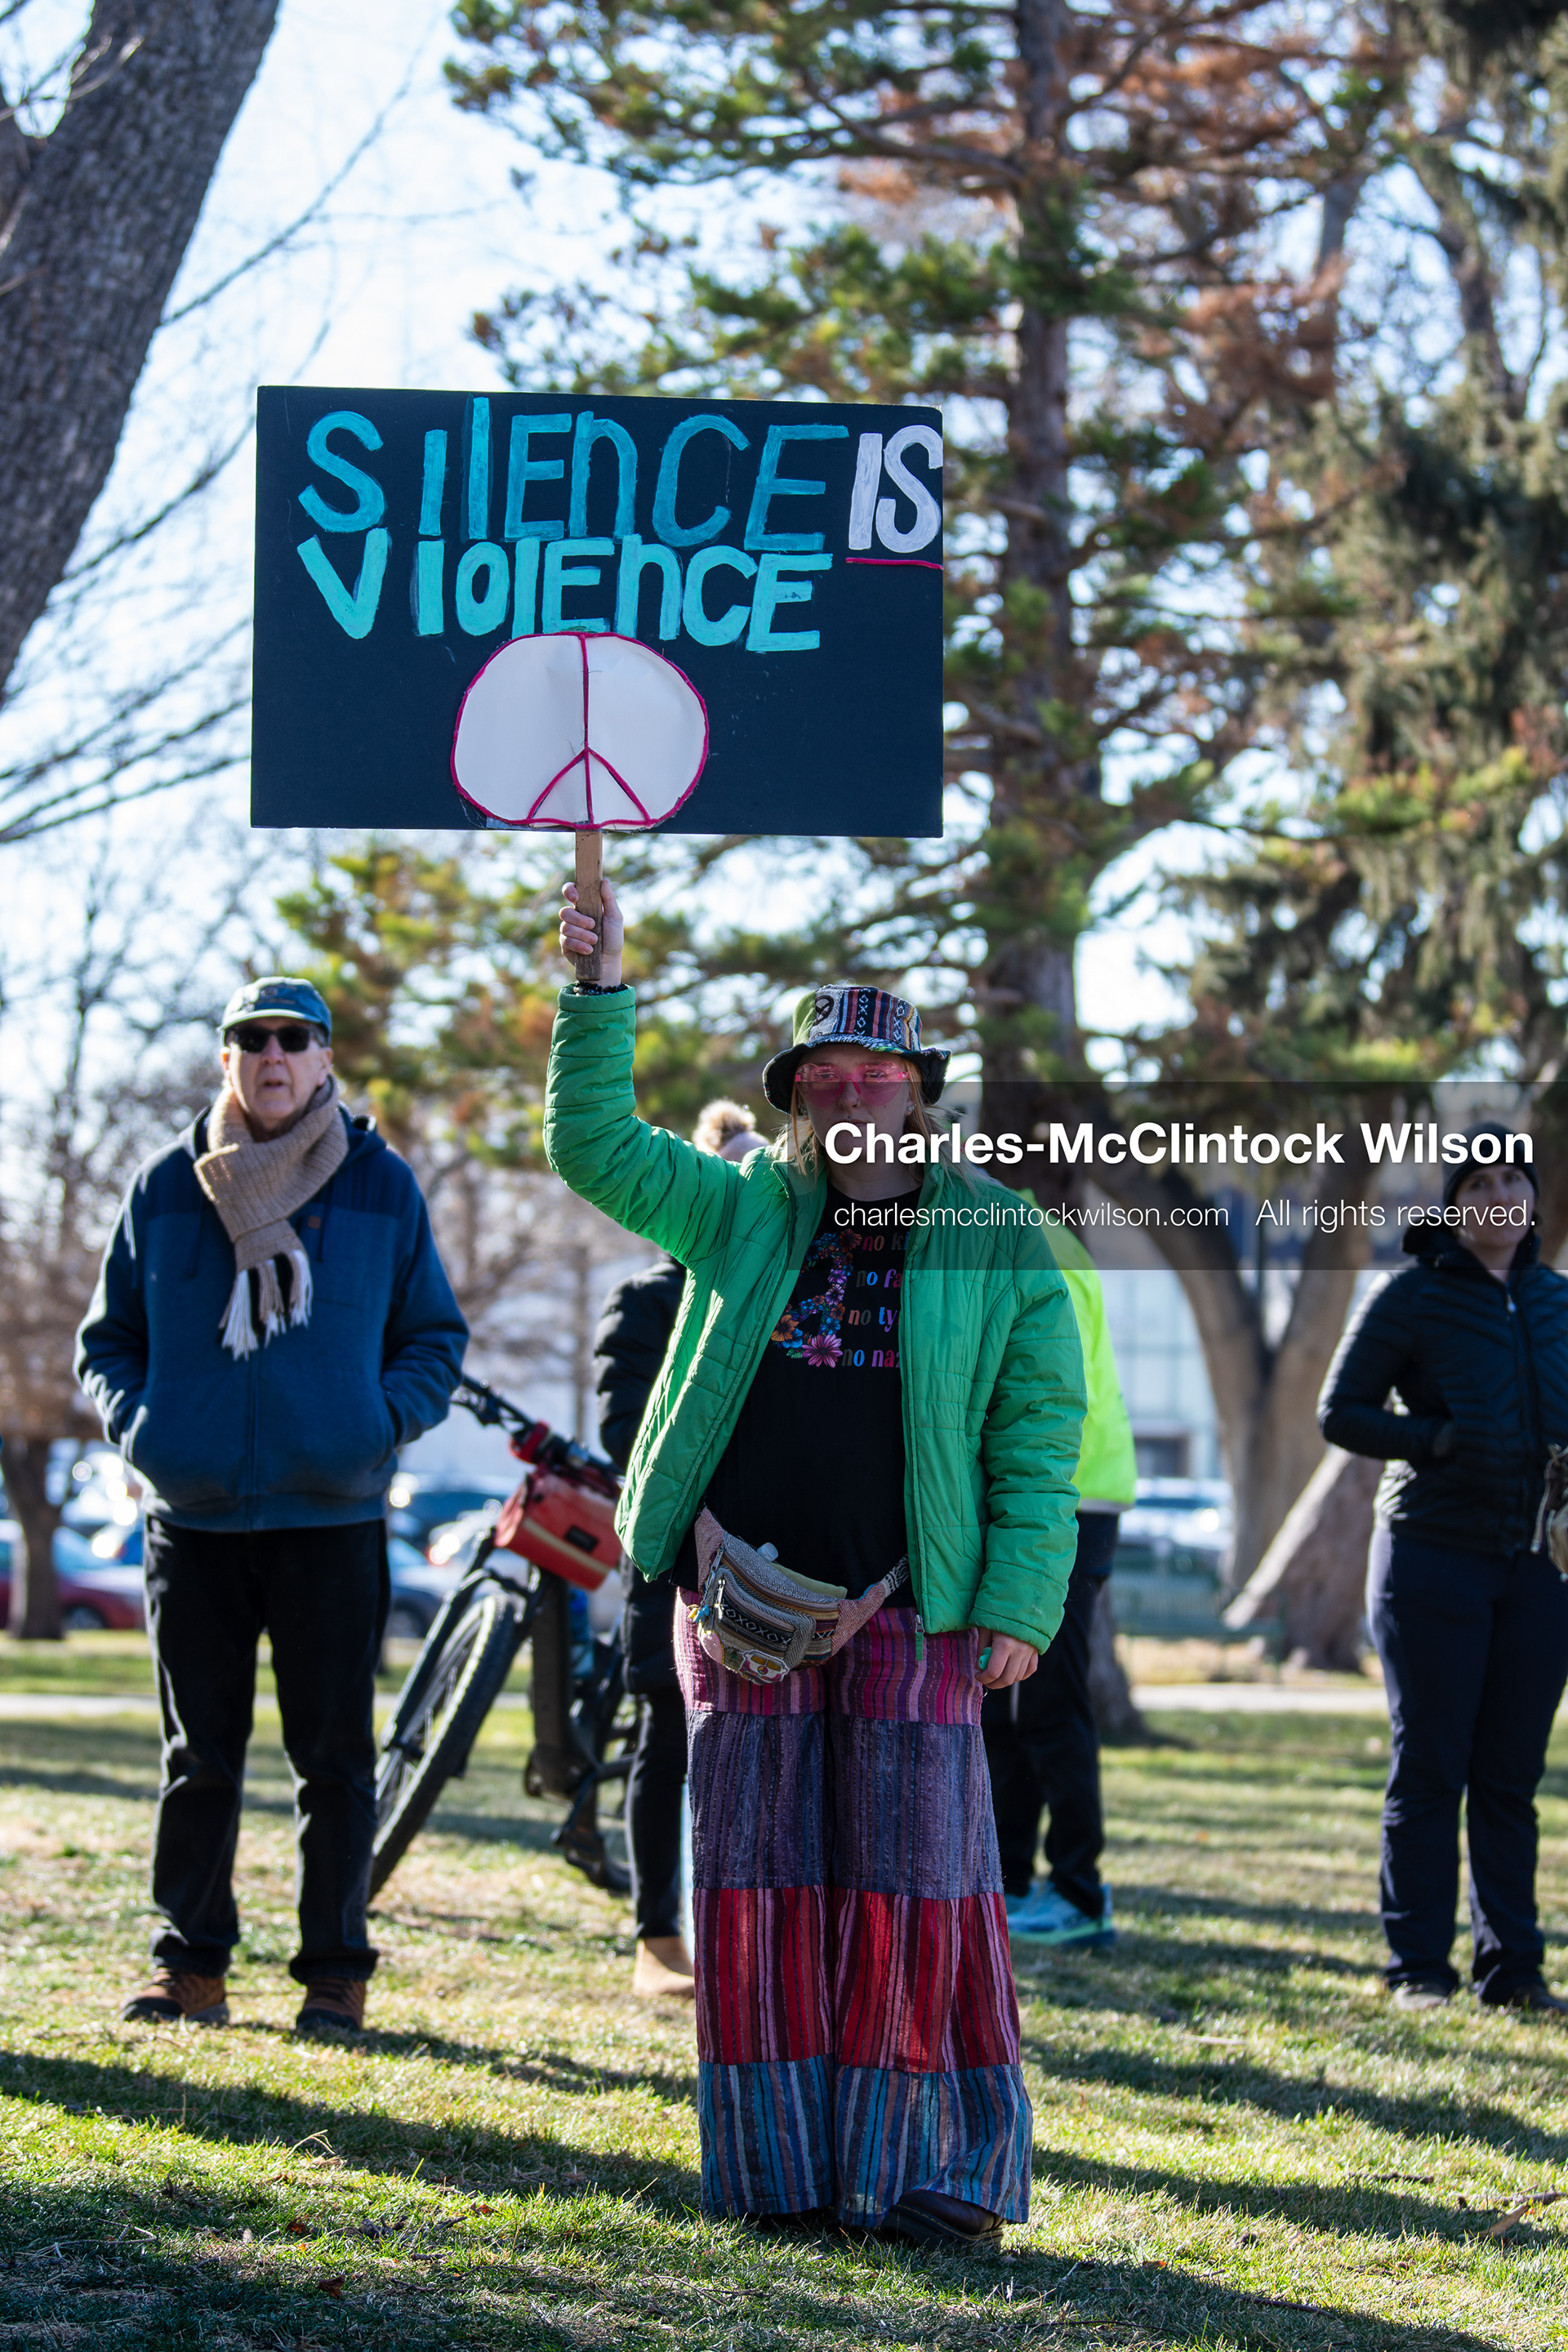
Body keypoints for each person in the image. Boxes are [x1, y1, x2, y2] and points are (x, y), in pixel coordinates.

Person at [551, 880, 1085, 2249]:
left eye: (880, 1073)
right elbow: (595, 1142)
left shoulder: (996, 1231)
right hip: (734, 1606)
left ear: (920, 1092)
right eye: (828, 1074)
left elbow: (1039, 1431)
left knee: (924, 1894)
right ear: (796, 1095)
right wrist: (599, 994)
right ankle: (784, 2176)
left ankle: (933, 2180)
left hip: (919, 1611)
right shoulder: (735, 1209)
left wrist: (1025, 1596)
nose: (855, 1093)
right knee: (758, 1890)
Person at [77, 977, 467, 2038]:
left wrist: (374, 1424)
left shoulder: (381, 1188)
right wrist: (148, 1430)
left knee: (334, 1760)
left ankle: (335, 1971)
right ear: (227, 1062)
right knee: (198, 1757)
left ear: (326, 1058)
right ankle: (190, 1964)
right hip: (192, 1522)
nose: (272, 1057)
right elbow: (105, 1341)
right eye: (250, 1041)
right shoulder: (164, 1186)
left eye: (293, 1039)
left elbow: (434, 1336)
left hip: (332, 1521)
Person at [1319, 1122, 1568, 2017]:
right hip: (1431, 1558)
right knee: (1430, 1765)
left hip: (1540, 1569)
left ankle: (1514, 1970)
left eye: (1514, 1180)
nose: (1499, 1196)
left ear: (1534, 1197)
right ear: (1454, 1205)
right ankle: (1417, 1967)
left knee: (1510, 1775)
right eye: (1478, 1183)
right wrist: (1433, 1440)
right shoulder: (1411, 1297)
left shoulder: (1558, 1302)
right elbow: (1340, 1413)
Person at [594, 1100, 768, 2002]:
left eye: (758, 1172)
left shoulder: (792, 1288)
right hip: (672, 1564)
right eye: (729, 1170)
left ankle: (749, 1941)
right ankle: (658, 1936)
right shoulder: (648, 1298)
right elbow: (625, 1432)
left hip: (774, 1569)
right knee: (666, 1741)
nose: (744, 1188)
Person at [985, 1215, 1135, 1946]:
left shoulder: (1022, 1239)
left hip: (1065, 1499)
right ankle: (1010, 1879)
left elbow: (1046, 1393)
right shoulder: (1016, 1229)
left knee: (1049, 1703)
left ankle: (1080, 1892)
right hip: (1052, 1499)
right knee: (1005, 1707)